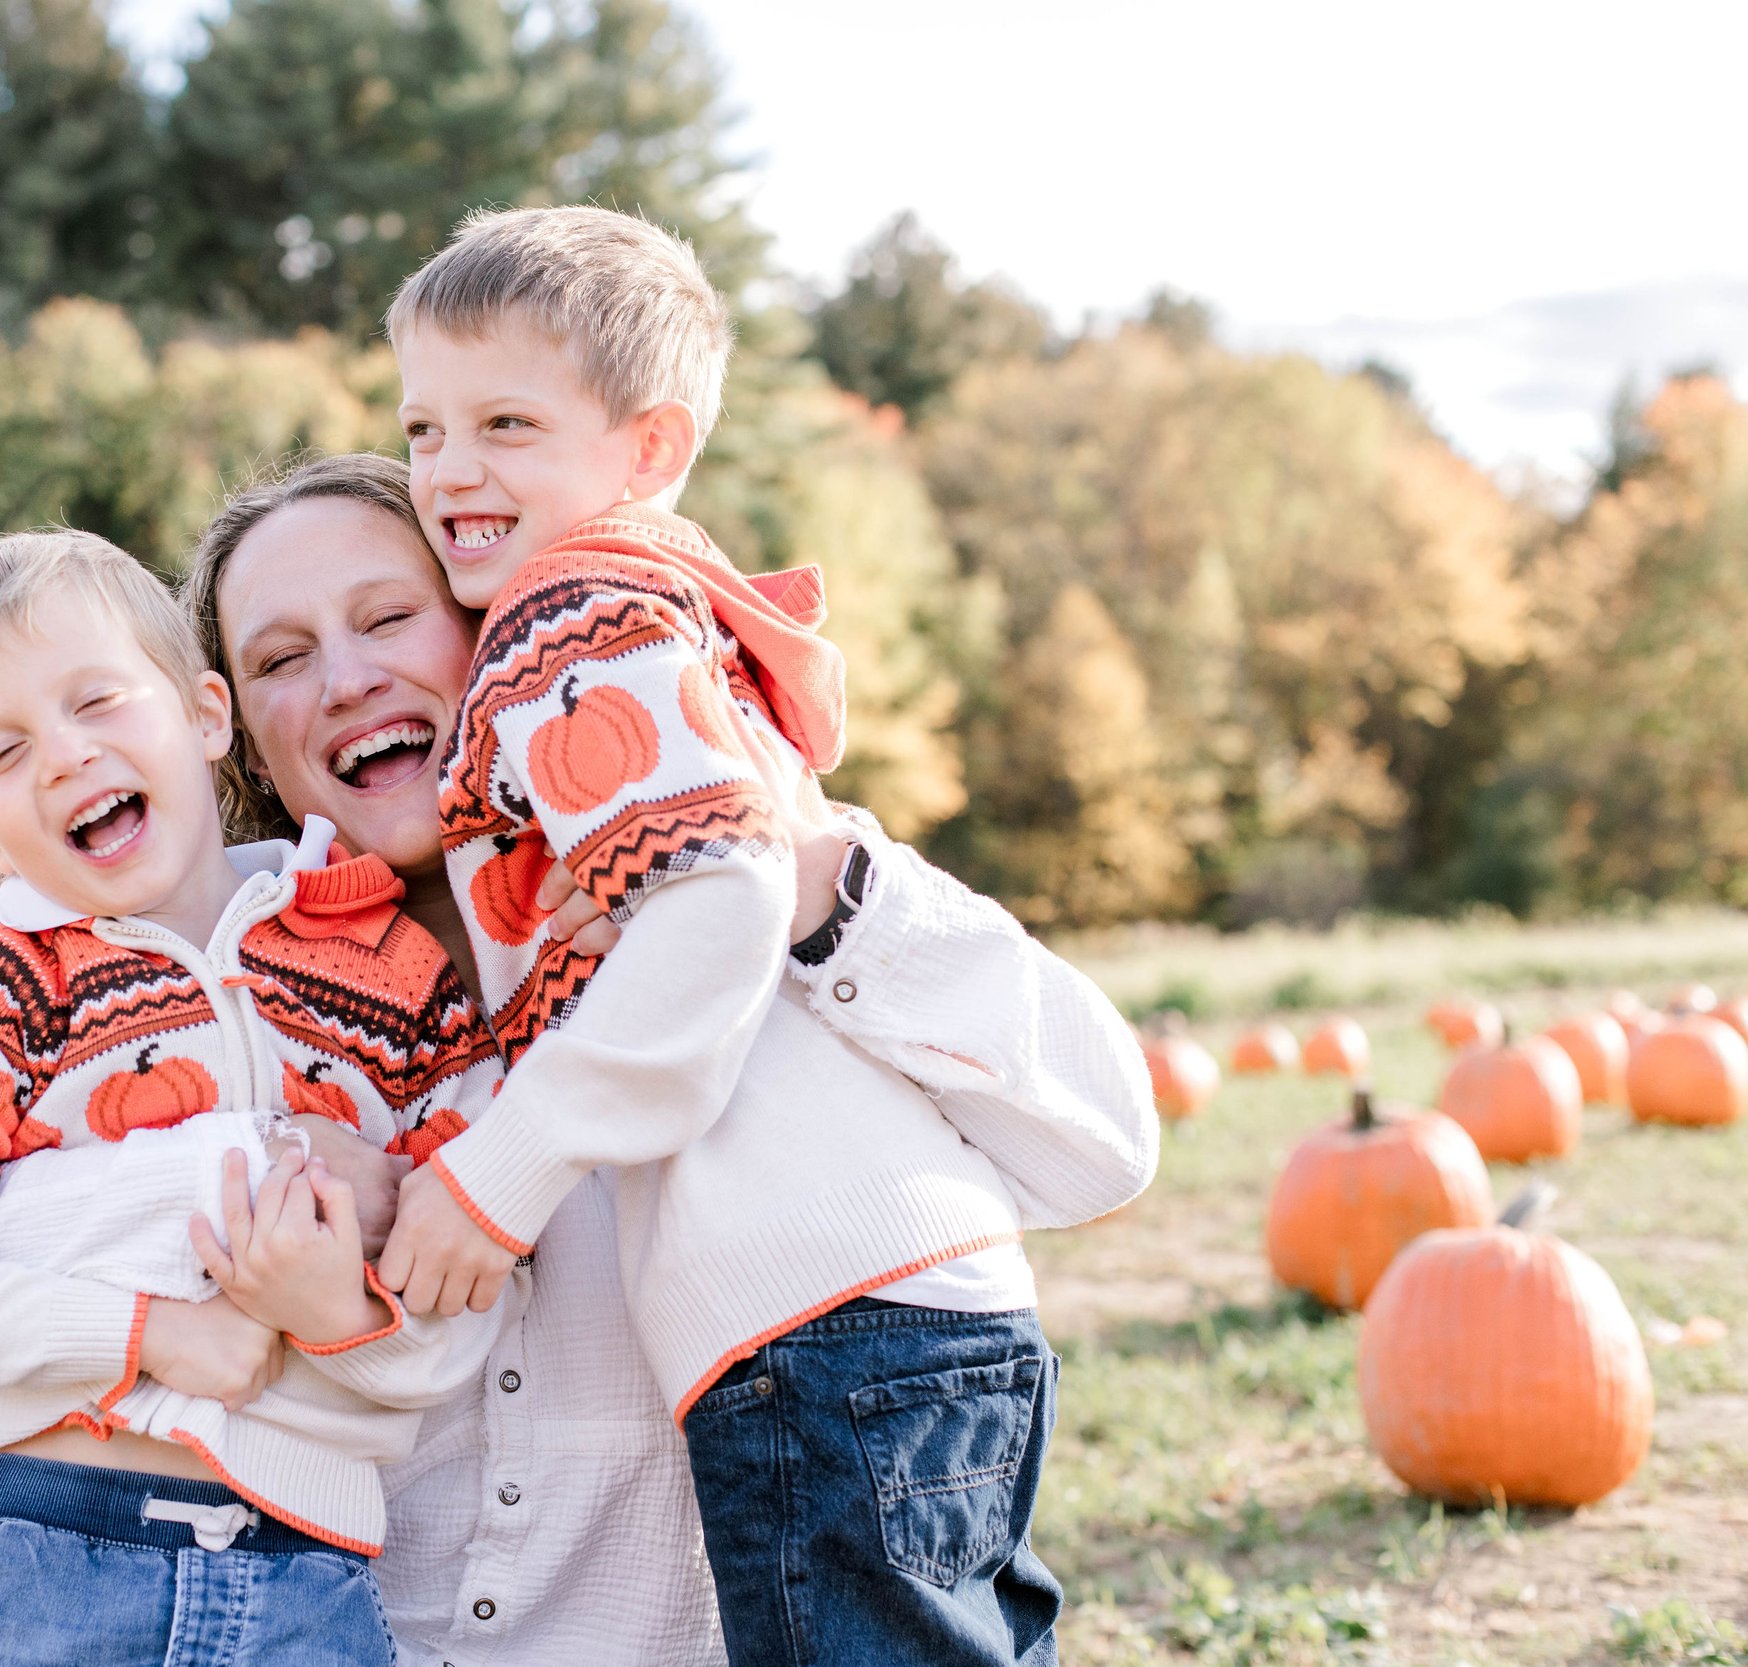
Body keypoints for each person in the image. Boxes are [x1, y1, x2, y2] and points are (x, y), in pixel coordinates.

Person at [190, 450, 1159, 1665]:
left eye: (390, 616)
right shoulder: (218, 998)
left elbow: (1105, 1141)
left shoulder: (723, 903)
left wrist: (793, 881)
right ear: (237, 733)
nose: (344, 677)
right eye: (279, 658)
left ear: (500, 640)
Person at [367, 203, 1143, 1663]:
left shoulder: (567, 612)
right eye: (422, 429)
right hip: (922, 1292)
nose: (450, 469)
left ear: (648, 450)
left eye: (506, 422)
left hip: (815, 1312)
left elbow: (724, 895)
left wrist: (500, 1171)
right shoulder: (664, 619)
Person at [0, 529, 517, 1666]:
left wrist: (336, 1316)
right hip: (51, 1563)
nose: (66, 756)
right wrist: (147, 1331)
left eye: (97, 702)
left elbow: (467, 1303)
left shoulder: (395, 974)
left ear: (205, 716)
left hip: (306, 1581)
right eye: (5, 751)